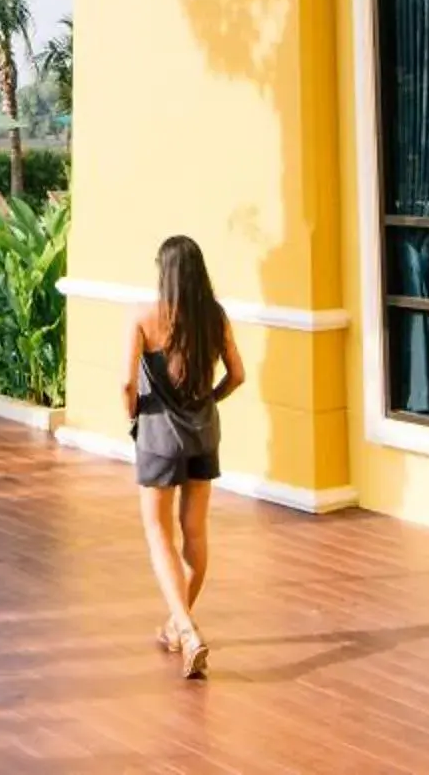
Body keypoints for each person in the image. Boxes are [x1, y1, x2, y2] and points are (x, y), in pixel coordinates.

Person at [124, 233, 243, 680]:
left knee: (158, 532)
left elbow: (124, 384)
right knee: (194, 532)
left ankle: (188, 630)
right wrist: (208, 399)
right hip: (204, 434)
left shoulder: (144, 316)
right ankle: (178, 624)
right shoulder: (214, 317)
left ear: (164, 271)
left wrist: (133, 418)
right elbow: (238, 375)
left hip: (158, 438)